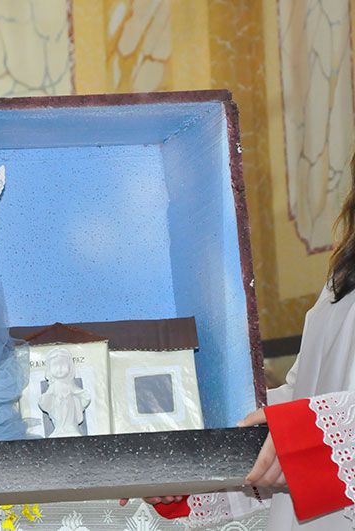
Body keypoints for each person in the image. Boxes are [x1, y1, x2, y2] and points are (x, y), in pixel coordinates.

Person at [125, 156, 355, 528]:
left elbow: (317, 423)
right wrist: (190, 460)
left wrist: (303, 434)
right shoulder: (340, 285)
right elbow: (302, 396)